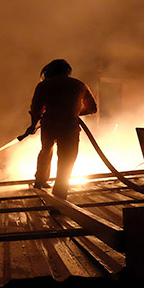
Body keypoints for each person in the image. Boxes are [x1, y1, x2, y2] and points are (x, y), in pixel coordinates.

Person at [22, 59, 97, 199]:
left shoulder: (44, 85)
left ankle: (40, 181)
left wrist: (33, 125)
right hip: (70, 127)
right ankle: (60, 193)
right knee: (67, 160)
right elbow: (92, 108)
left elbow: (36, 109)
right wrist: (73, 113)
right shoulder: (79, 85)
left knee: (46, 150)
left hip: (50, 125)